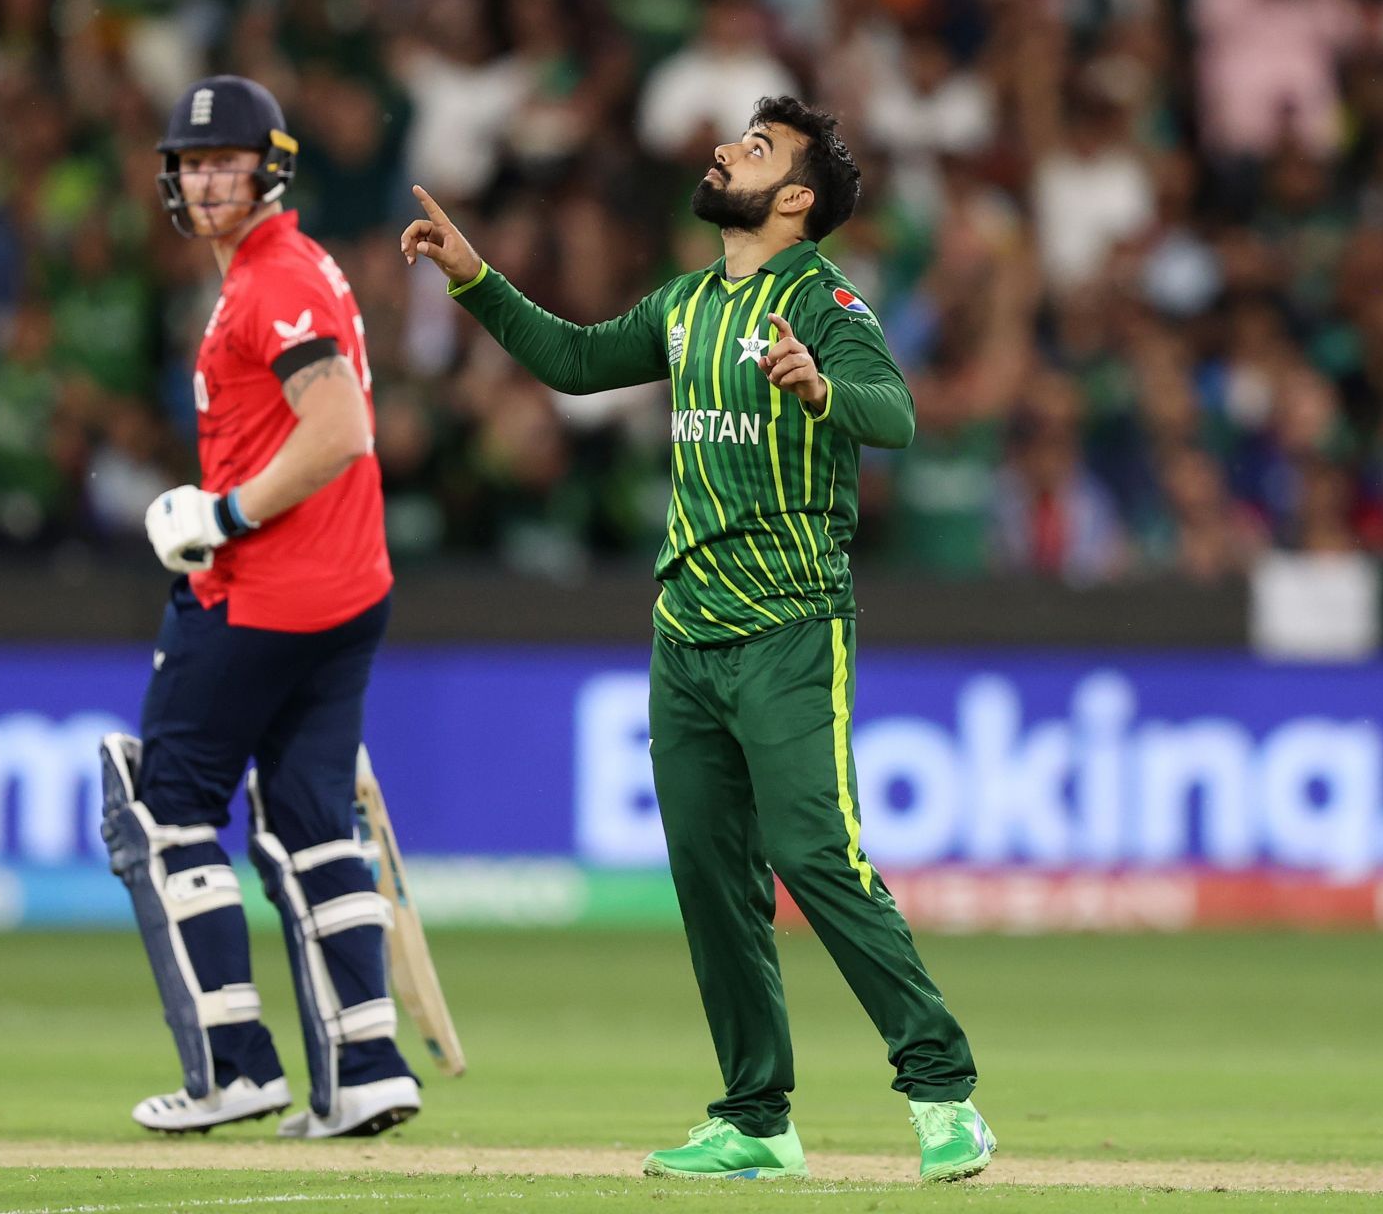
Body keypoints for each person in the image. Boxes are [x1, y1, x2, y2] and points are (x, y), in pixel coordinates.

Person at [402, 95, 994, 1183]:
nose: (726, 150)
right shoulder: (686, 303)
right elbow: (577, 361)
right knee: (710, 876)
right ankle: (757, 1118)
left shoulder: (825, 299)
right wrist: (472, 275)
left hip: (788, 628)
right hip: (686, 636)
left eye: (756, 148)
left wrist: (820, 387)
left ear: (798, 197)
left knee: (818, 856)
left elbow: (897, 412)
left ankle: (943, 1087)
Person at [99, 74, 417, 1139]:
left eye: (226, 161)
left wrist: (223, 515)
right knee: (311, 823)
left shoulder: (274, 276)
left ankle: (233, 1068)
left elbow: (339, 430)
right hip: (347, 588)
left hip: (262, 591)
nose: (205, 180)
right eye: (191, 164)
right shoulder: (294, 268)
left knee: (162, 809)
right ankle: (364, 1066)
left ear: (270, 168)